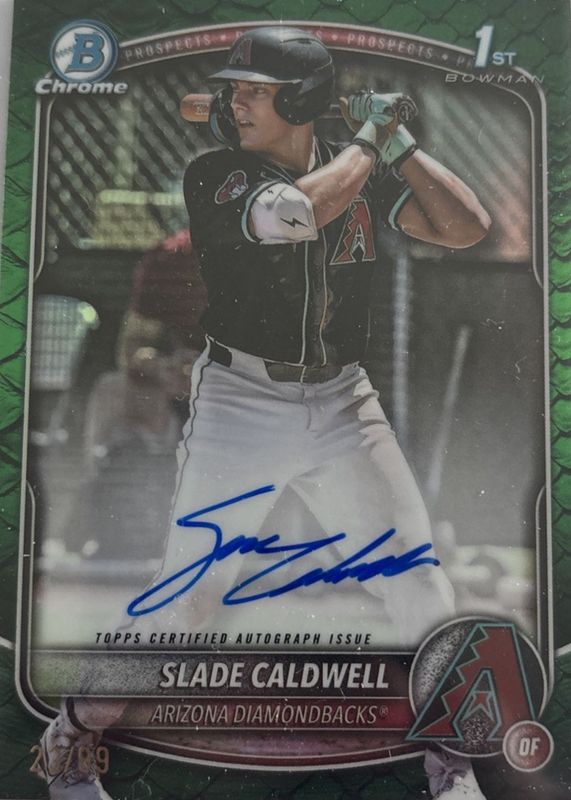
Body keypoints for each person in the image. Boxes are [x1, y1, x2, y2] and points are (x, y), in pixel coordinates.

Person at [39, 27, 491, 800]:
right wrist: (370, 140)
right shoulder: (217, 173)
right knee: (187, 601)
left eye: (254, 91)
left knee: (419, 583)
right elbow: (295, 214)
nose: (235, 103)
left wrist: (401, 145)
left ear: (303, 99)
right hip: (241, 402)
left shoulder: (358, 169)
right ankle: (74, 732)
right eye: (235, 91)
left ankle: (450, 768)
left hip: (344, 402)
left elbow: (466, 226)